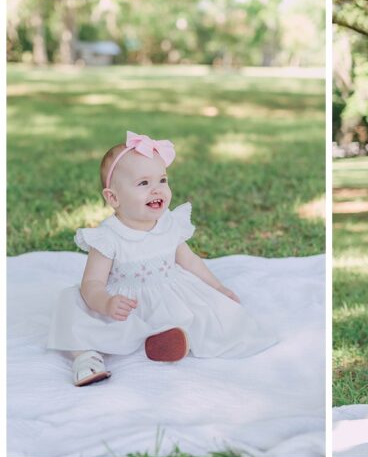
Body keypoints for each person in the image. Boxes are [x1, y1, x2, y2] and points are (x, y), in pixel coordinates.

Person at [47, 131, 278, 387]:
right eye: (143, 183)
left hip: (166, 297)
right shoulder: (107, 237)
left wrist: (217, 287)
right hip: (125, 306)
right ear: (113, 197)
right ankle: (86, 357)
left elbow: (191, 262)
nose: (157, 189)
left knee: (206, 315)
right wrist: (106, 304)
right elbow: (92, 284)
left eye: (162, 180)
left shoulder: (169, 224)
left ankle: (167, 340)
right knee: (72, 305)